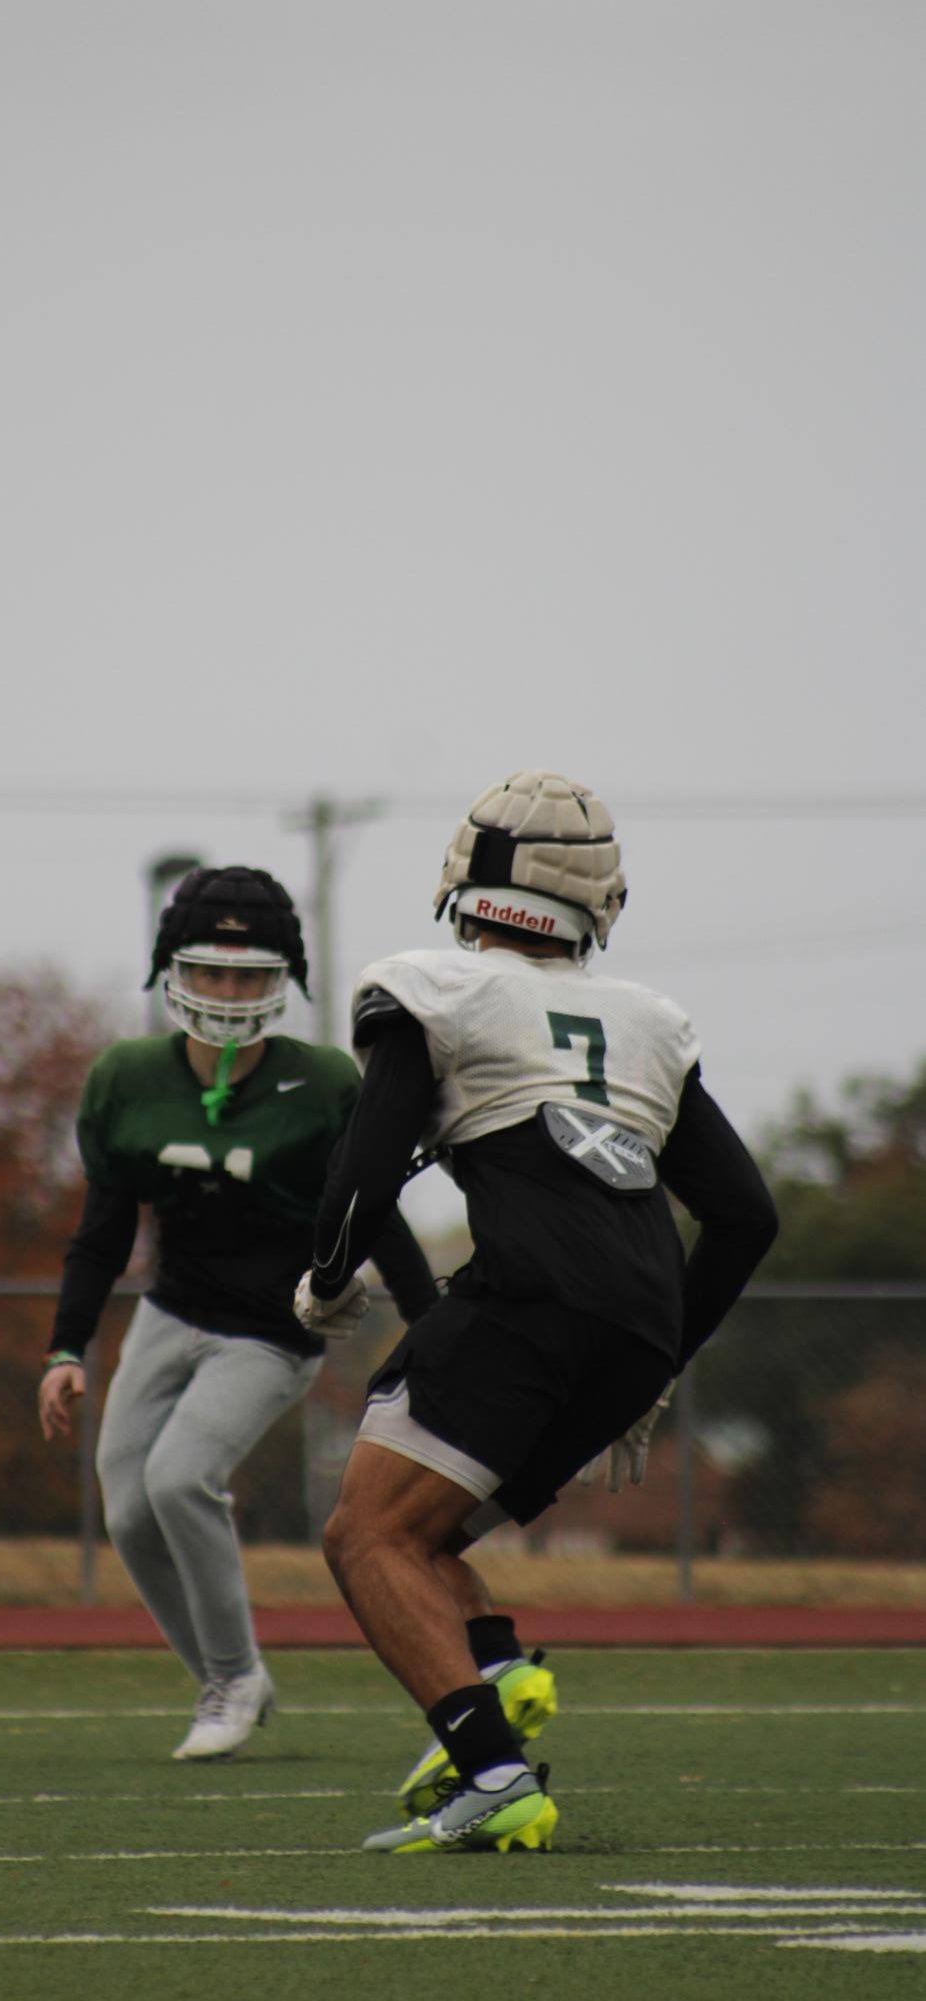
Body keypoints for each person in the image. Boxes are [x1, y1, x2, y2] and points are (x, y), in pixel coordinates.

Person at [294, 770, 778, 1852]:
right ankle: (498, 1669)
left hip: (525, 1297)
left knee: (364, 1536)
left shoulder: (432, 987)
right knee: (419, 1538)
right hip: (637, 1321)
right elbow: (744, 1217)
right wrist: (657, 1368)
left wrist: (327, 1279)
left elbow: (362, 1171)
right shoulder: (649, 1022)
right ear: (598, 901)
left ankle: (493, 1775)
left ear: (466, 878)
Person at [40, 864, 438, 1761]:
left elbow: (379, 1213)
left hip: (273, 1327)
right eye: (212, 971)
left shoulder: (326, 1083)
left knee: (179, 1479)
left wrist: (434, 1322)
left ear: (283, 979)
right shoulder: (127, 1078)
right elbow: (101, 1233)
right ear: (171, 969)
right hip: (171, 1311)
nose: (228, 991)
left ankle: (231, 1675)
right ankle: (229, 1677)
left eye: (250, 974)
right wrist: (64, 1345)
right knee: (130, 1508)